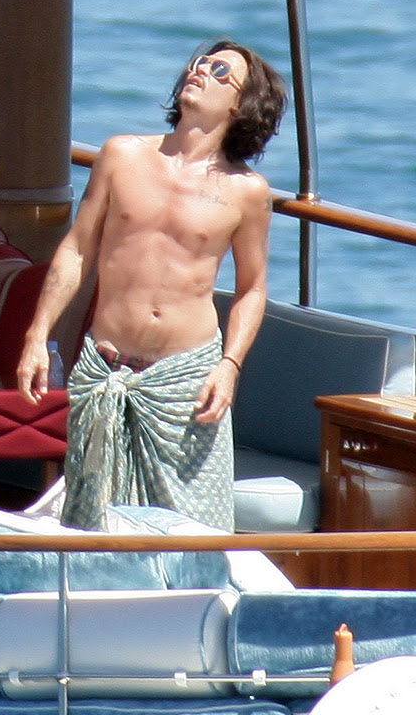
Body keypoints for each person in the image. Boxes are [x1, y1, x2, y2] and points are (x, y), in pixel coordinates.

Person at [17, 39, 287, 532]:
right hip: (104, 367)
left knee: (193, 533)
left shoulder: (246, 192)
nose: (201, 70)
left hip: (185, 382)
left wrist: (229, 367)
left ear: (241, 105)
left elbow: (252, 288)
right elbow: (77, 249)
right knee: (93, 531)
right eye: (201, 62)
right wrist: (38, 336)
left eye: (220, 71)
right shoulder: (122, 155)